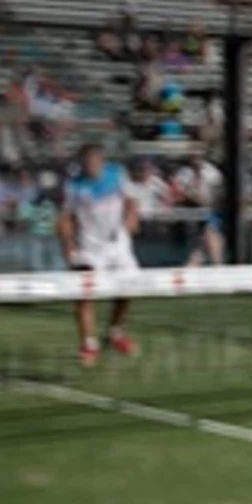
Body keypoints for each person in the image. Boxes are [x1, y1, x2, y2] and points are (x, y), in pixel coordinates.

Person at [58, 144, 141, 367]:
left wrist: (130, 223)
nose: (92, 167)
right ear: (82, 164)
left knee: (128, 289)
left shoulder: (117, 174)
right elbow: (64, 218)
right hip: (89, 248)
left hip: (117, 245)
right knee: (85, 294)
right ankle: (89, 345)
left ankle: (115, 333)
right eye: (88, 163)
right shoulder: (74, 186)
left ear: (102, 161)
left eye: (95, 162)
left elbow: (132, 201)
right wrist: (68, 246)